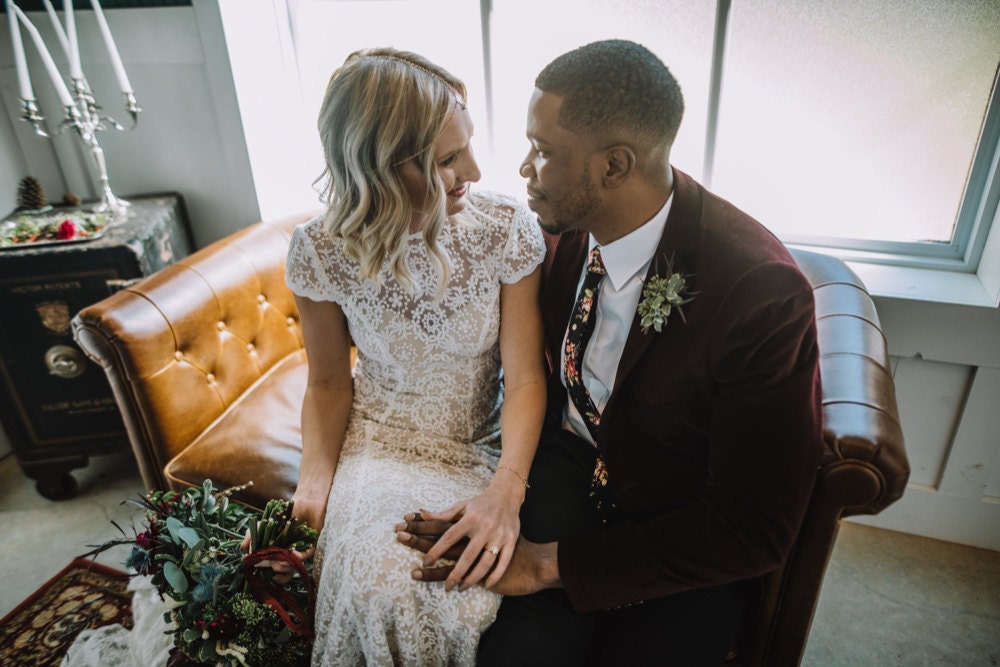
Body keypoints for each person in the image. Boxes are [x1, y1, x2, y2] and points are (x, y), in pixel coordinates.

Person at [396, 39, 823, 664]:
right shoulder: (553, 229)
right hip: (559, 485)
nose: (521, 170)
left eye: (542, 151)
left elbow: (752, 527)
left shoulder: (759, 294)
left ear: (614, 166)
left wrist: (547, 565)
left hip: (677, 544)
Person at [284, 47, 547, 665]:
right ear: (380, 168)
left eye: (469, 146)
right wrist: (314, 484)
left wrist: (507, 493)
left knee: (453, 589)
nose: (476, 171)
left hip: (478, 448)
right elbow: (326, 385)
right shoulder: (318, 250)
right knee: (384, 585)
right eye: (449, 160)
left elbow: (527, 377)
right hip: (380, 446)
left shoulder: (503, 228)